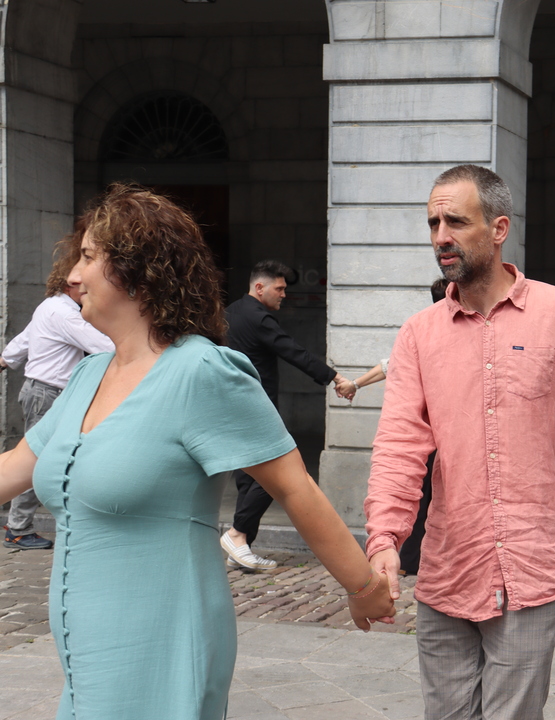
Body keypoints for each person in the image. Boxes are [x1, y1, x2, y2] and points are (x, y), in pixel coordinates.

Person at [0, 185, 395, 720]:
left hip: (164, 646)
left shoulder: (202, 370)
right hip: (85, 658)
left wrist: (363, 585)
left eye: (89, 257)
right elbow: (15, 466)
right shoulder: (89, 373)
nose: (73, 275)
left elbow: (294, 486)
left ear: (138, 271)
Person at [364, 164, 555, 720]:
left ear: (499, 229)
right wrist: (384, 540)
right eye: (433, 224)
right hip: (447, 569)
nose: (441, 236)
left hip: (530, 567)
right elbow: (399, 448)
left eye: (455, 222)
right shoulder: (419, 334)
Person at [220, 259, 356, 570]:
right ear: (260, 287)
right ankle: (237, 533)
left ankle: (241, 546)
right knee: (280, 472)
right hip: (256, 409)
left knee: (249, 476)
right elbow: (294, 352)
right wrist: (335, 377)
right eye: (279, 289)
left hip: (233, 407)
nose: (284, 294)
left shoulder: (231, 312)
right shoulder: (259, 319)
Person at [0, 239, 113, 549]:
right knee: (36, 460)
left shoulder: (49, 307)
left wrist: (4, 361)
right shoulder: (64, 313)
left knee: (44, 457)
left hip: (42, 392)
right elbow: (105, 346)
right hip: (48, 394)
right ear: (70, 283)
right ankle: (18, 528)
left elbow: (21, 343)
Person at [351, 277, 449, 577]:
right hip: (435, 435)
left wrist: (355, 383)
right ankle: (415, 559)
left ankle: (411, 559)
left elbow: (386, 365)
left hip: (425, 433)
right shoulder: (432, 334)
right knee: (429, 499)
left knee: (422, 498)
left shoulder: (424, 331)